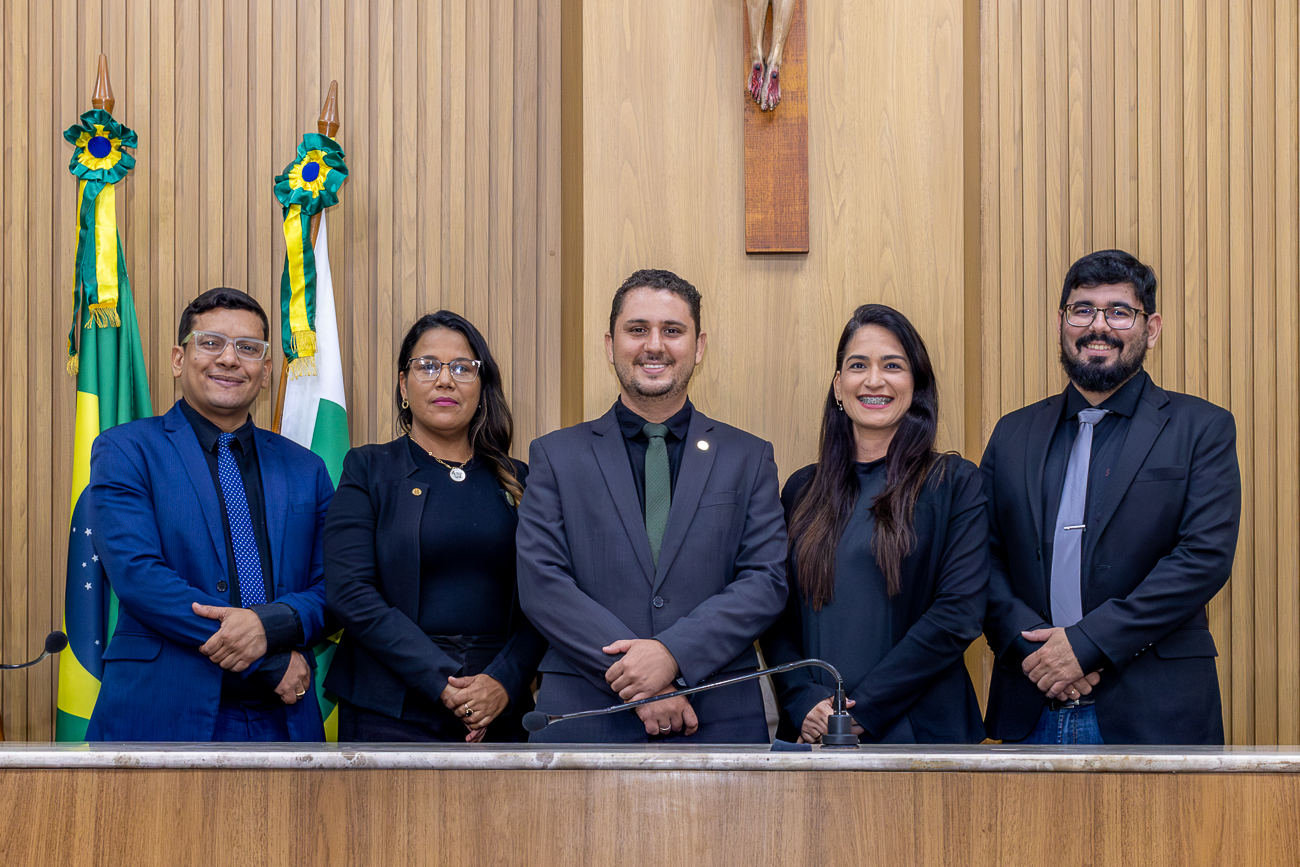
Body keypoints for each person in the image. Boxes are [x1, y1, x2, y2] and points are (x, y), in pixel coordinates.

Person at [516, 268, 788, 743]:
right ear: (610, 344)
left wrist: (673, 654)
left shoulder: (748, 455)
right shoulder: (555, 455)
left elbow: (765, 580)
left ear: (699, 347)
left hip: (717, 711)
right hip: (585, 712)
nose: (654, 345)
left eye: (672, 331)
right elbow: (542, 583)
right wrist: (639, 679)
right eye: (637, 329)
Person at [982, 249, 1241, 745]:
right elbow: (981, 559)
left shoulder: (1202, 428)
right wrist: (1038, 652)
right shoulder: (1012, 434)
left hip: (1156, 712)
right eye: (1083, 310)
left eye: (1119, 311)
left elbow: (1202, 559)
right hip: (1030, 702)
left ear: (1153, 326)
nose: (1098, 325)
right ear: (1061, 322)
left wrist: (1084, 645)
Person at [86, 288, 333, 741]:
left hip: (283, 719)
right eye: (211, 342)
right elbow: (139, 577)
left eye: (248, 348)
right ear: (179, 359)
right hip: (163, 709)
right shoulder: (125, 449)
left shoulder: (307, 469)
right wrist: (265, 658)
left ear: (265, 371)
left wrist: (268, 627)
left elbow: (334, 585)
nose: (229, 359)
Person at [761, 304, 988, 744]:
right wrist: (802, 699)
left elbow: (958, 614)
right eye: (858, 365)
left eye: (893, 365)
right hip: (813, 733)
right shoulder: (800, 490)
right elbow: (775, 614)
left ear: (916, 384)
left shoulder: (955, 483)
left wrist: (860, 711)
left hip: (920, 733)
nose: (874, 380)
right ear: (838, 387)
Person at [324, 311, 546, 742]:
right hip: (387, 709)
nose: (446, 380)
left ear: (482, 387)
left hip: (500, 707)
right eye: (428, 366)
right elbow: (349, 593)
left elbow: (551, 591)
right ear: (404, 386)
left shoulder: (524, 478)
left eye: (463, 368)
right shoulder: (368, 469)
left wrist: (504, 681)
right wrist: (442, 682)